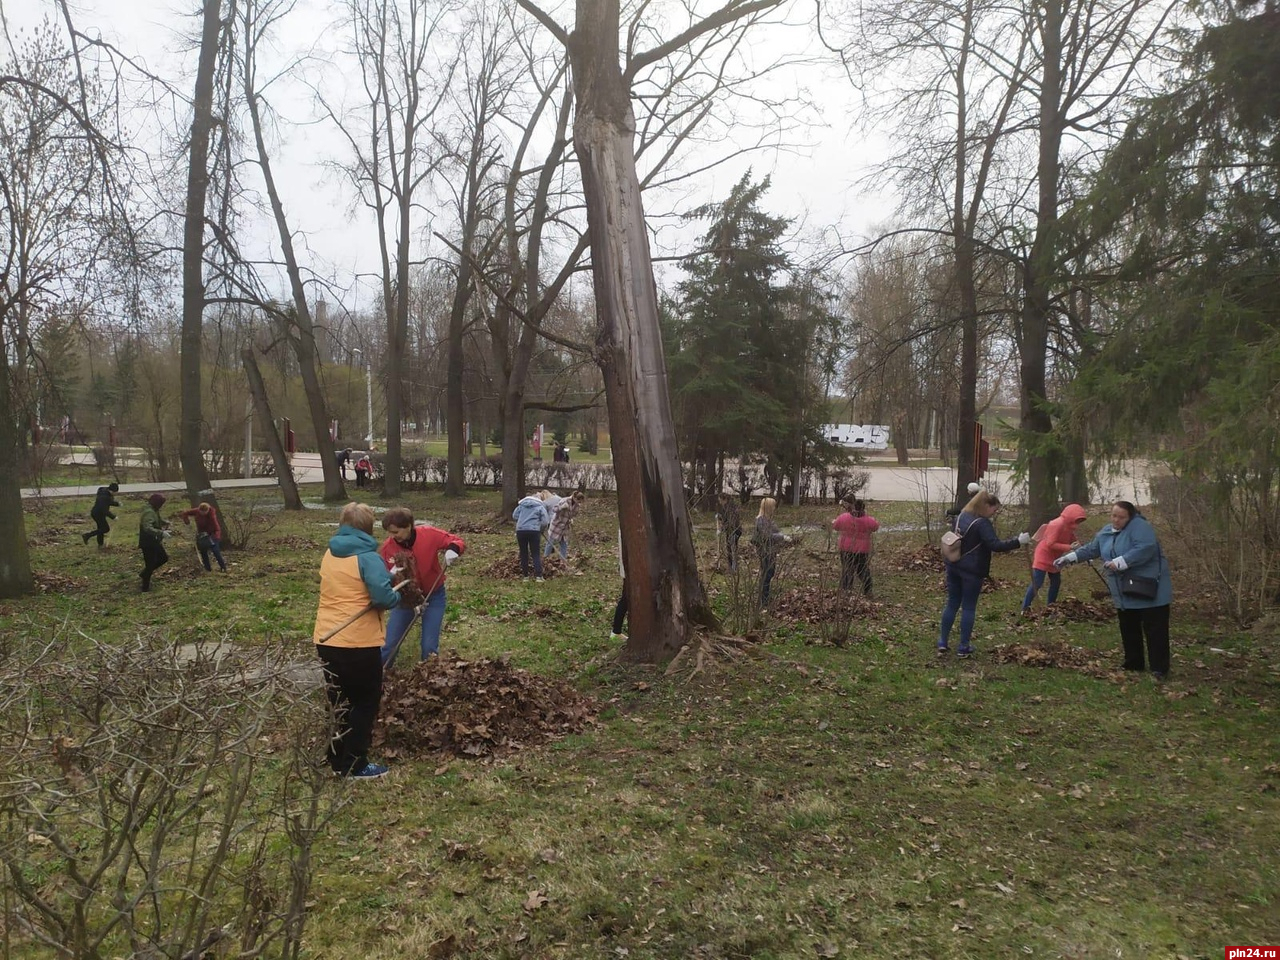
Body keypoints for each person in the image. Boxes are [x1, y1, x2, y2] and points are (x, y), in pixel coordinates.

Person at [312, 502, 402, 779]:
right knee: (364, 701)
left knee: (338, 700)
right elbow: (383, 599)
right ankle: (355, 763)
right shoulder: (367, 556)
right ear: (367, 527)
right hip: (357, 642)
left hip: (327, 637)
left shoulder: (331, 552)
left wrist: (387, 577)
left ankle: (336, 755)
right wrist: (396, 593)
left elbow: (352, 582)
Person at [1055, 501, 1173, 678]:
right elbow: (1092, 549)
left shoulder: (1141, 527)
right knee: (1129, 626)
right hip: (1124, 590)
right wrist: (1069, 558)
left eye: (1121, 517)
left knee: (1155, 628)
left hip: (1149, 587)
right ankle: (1134, 662)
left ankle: (1159, 667)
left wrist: (1121, 562)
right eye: (1113, 516)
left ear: (1130, 517)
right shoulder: (1107, 531)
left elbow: (1145, 549)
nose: (1116, 520)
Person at [937, 490, 1030, 658]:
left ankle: (943, 641)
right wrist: (1018, 542)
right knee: (968, 607)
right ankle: (963, 647)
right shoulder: (982, 523)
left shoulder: (961, 517)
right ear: (985, 506)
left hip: (954, 565)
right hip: (972, 570)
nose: (993, 514)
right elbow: (995, 545)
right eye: (993, 510)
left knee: (951, 603)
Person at [377, 507, 465, 667]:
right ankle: (379, 675)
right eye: (389, 532)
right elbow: (384, 580)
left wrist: (453, 550)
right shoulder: (388, 548)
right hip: (406, 598)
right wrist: (390, 576)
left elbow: (456, 541)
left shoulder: (428, 535)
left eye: (396, 532)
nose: (392, 536)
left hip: (434, 596)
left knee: (429, 647)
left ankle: (429, 677)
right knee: (389, 645)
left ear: (409, 526)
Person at [1021, 503, 1087, 614]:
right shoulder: (1057, 524)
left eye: (1079, 521)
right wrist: (1069, 547)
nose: (1077, 524)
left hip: (1056, 558)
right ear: (1071, 516)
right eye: (1077, 520)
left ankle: (1050, 607)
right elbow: (1050, 543)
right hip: (1043, 555)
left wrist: (1082, 551)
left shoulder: (1069, 526)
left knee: (1056, 582)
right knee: (1037, 581)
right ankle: (1025, 608)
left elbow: (1073, 539)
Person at [831, 498, 880, 594]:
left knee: (847, 569)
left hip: (845, 548)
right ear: (863, 509)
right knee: (862, 570)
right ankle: (867, 589)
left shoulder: (843, 517)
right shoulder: (868, 521)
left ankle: (846, 590)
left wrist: (834, 521)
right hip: (862, 550)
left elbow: (836, 526)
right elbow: (875, 526)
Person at [753, 497, 791, 608]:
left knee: (770, 572)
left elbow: (774, 531)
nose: (775, 508)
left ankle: (766, 597)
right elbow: (767, 535)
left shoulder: (768, 519)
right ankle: (763, 600)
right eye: (773, 506)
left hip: (771, 549)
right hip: (765, 550)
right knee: (767, 574)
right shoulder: (761, 520)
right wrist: (782, 536)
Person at [177, 501, 228, 573]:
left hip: (212, 535)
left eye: (204, 513)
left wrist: (214, 539)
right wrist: (186, 520)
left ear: (207, 510)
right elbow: (185, 513)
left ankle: (223, 567)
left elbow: (217, 529)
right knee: (203, 552)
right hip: (202, 535)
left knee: (216, 551)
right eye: (201, 512)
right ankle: (208, 569)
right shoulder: (197, 511)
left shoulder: (212, 516)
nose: (202, 514)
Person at [137, 493, 171, 592]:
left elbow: (156, 520)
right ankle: (145, 586)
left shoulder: (153, 510)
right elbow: (147, 527)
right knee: (150, 563)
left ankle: (144, 574)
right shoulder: (149, 512)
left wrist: (165, 522)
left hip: (154, 540)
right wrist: (161, 533)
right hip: (148, 542)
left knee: (163, 558)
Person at [513, 492, 550, 581]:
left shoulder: (521, 505)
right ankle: (538, 576)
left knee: (523, 553)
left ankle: (525, 576)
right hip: (534, 531)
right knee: (535, 553)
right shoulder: (540, 507)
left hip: (521, 531)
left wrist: (522, 520)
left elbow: (514, 516)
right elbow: (545, 521)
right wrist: (540, 528)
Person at [546, 490, 584, 561]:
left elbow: (573, 514)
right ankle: (545, 558)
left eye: (580, 502)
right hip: (556, 524)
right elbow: (554, 509)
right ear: (575, 498)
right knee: (550, 543)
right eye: (579, 501)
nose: (579, 503)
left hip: (565, 526)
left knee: (564, 544)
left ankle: (563, 561)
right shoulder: (564, 500)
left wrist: (571, 519)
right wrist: (561, 507)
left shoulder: (577, 505)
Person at [82, 482, 120, 548]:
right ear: (112, 491)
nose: (115, 494)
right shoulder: (105, 497)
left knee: (101, 528)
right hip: (98, 514)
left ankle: (100, 544)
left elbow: (108, 502)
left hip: (97, 512)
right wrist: (113, 517)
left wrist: (117, 504)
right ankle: (87, 535)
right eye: (115, 492)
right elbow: (105, 510)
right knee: (105, 528)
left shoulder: (104, 491)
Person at [716, 493, 743, 572]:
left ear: (724, 499)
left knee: (732, 549)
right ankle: (731, 567)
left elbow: (732, 522)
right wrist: (720, 517)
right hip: (731, 530)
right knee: (729, 549)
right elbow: (726, 518)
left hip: (734, 531)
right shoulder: (727, 506)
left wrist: (722, 529)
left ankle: (734, 568)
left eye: (720, 500)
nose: (720, 502)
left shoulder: (731, 508)